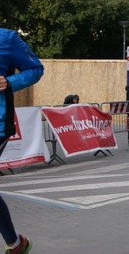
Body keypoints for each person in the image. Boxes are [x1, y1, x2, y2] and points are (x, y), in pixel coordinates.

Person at [0, 28, 44, 254]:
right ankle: (15, 244)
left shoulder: (5, 39)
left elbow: (36, 69)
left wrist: (9, 82)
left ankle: (15, 244)